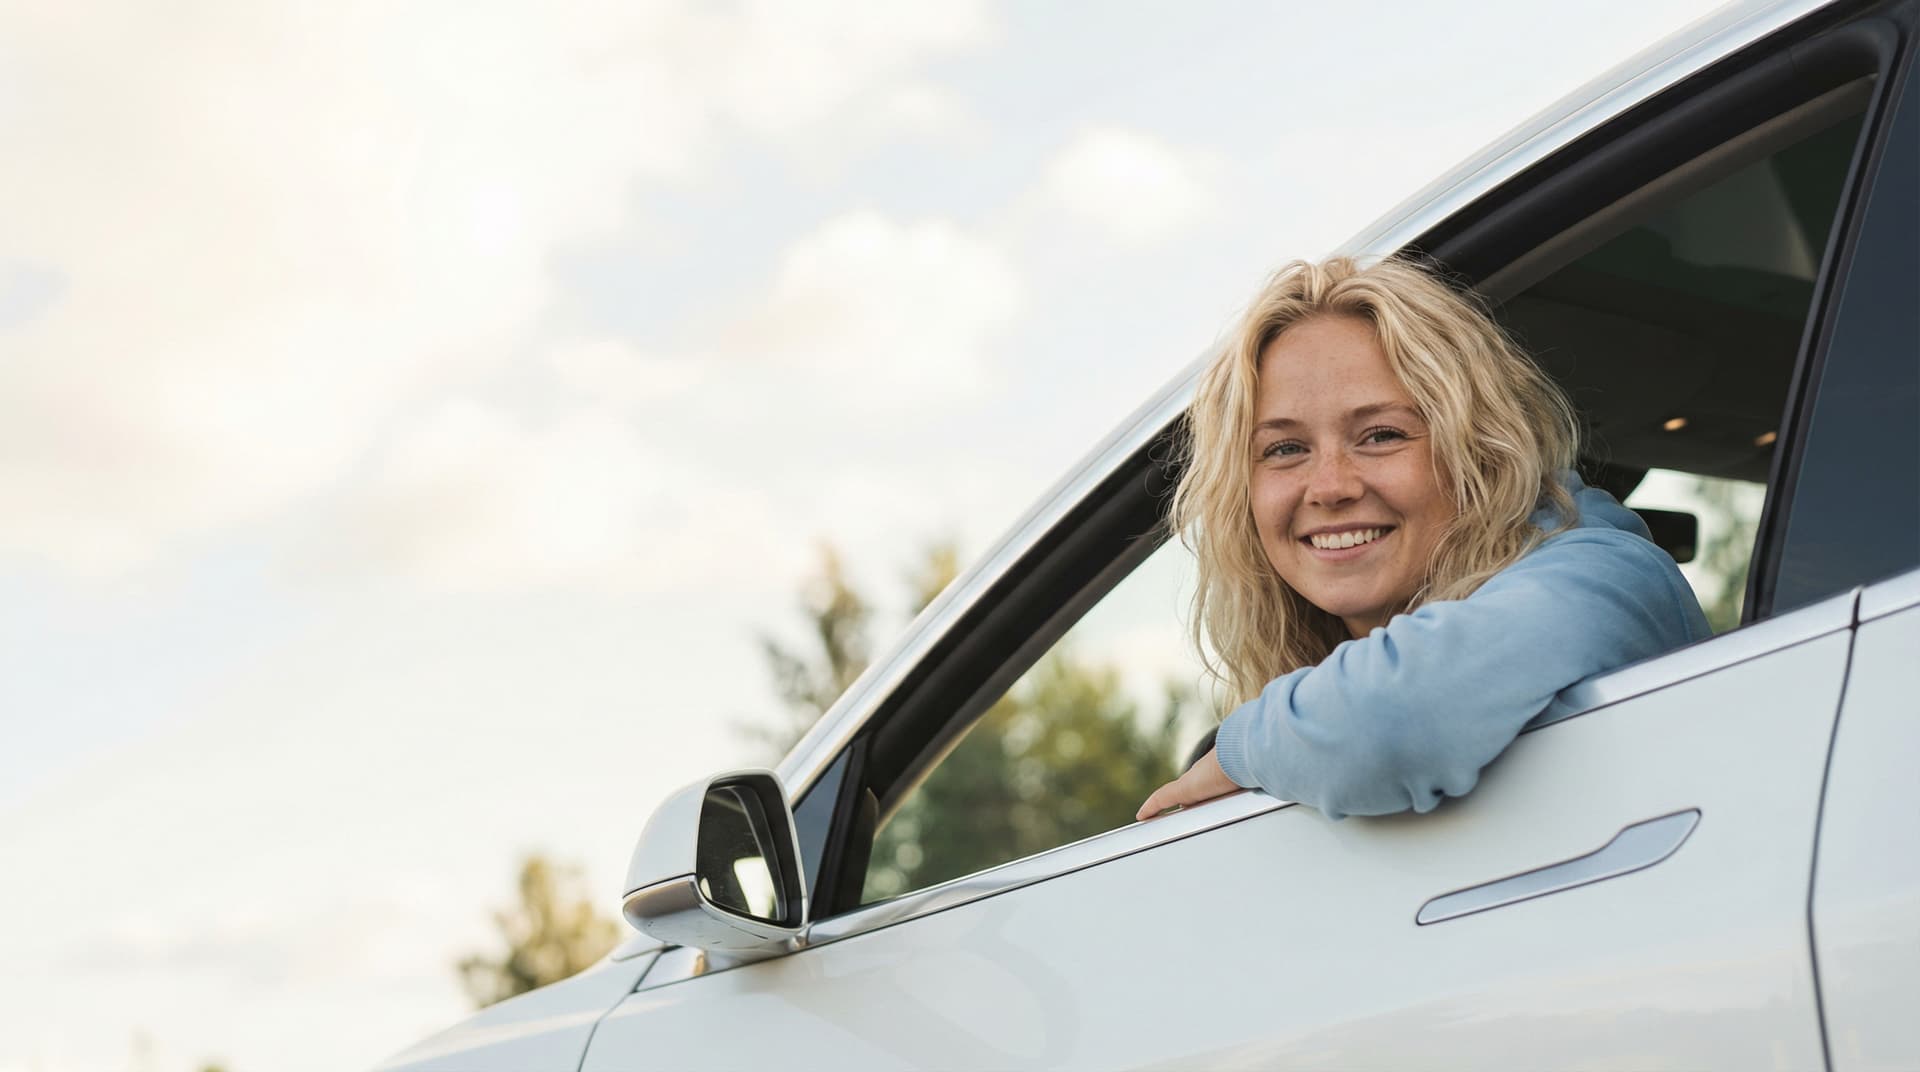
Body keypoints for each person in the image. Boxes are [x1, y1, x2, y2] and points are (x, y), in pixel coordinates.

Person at [1135, 256, 1710, 822]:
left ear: (1479, 450)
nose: (1330, 486)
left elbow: (1393, 721)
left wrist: (1241, 749)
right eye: (1285, 449)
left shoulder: (1606, 573)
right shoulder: (1311, 728)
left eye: (1381, 435)